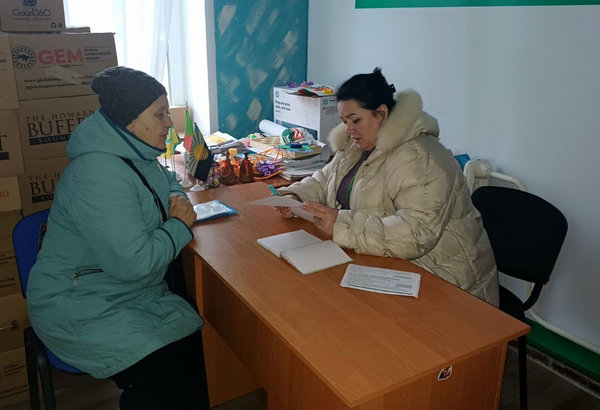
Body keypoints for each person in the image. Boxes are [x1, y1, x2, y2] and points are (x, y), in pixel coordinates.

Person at [26, 66, 209, 410]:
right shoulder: (98, 173)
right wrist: (178, 226)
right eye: (160, 114)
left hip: (120, 291)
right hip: (80, 304)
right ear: (130, 121)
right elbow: (133, 264)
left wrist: (176, 199)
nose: (169, 123)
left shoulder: (135, 151)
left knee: (191, 354)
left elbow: (167, 178)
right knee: (167, 371)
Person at [276, 68, 499, 306]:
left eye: (355, 120)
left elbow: (414, 235)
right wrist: (295, 196)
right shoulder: (356, 145)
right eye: (344, 122)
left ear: (381, 113)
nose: (349, 129)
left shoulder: (423, 159)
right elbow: (324, 179)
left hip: (446, 283)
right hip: (385, 263)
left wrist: (341, 224)